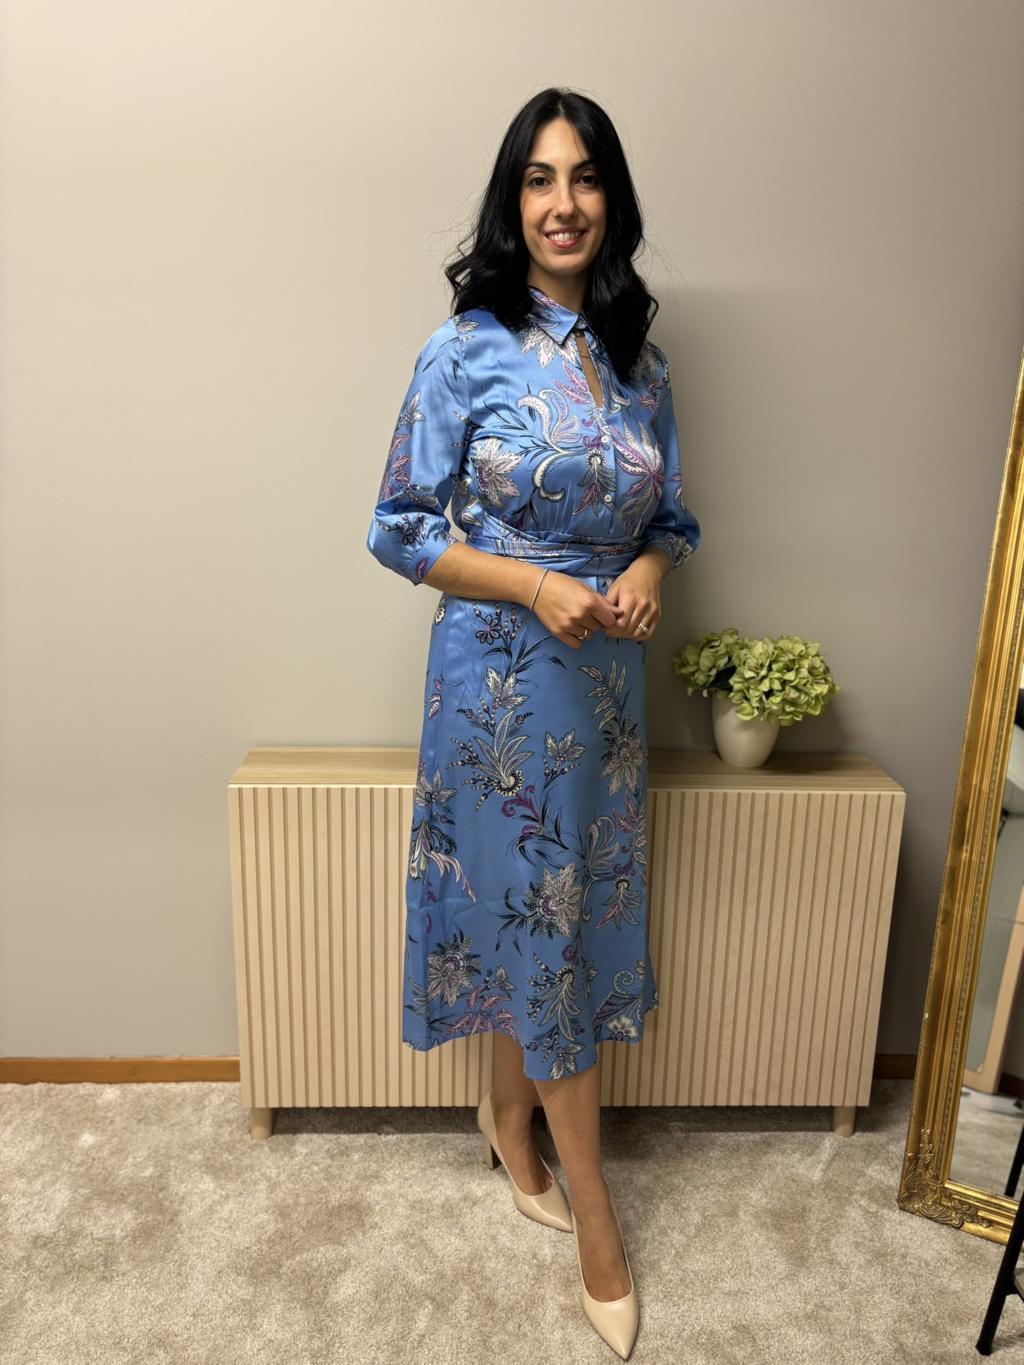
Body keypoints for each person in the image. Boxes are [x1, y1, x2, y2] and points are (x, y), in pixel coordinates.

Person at [366, 87, 701, 1360]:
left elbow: (672, 521)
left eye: (586, 177)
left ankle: (508, 1122)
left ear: (612, 199)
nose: (563, 204)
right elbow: (398, 529)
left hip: (605, 694)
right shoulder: (464, 350)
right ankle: (597, 1218)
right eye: (539, 180)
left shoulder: (642, 365)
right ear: (513, 204)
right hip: (501, 690)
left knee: (564, 923)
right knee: (541, 926)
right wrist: (533, 584)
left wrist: (645, 573)